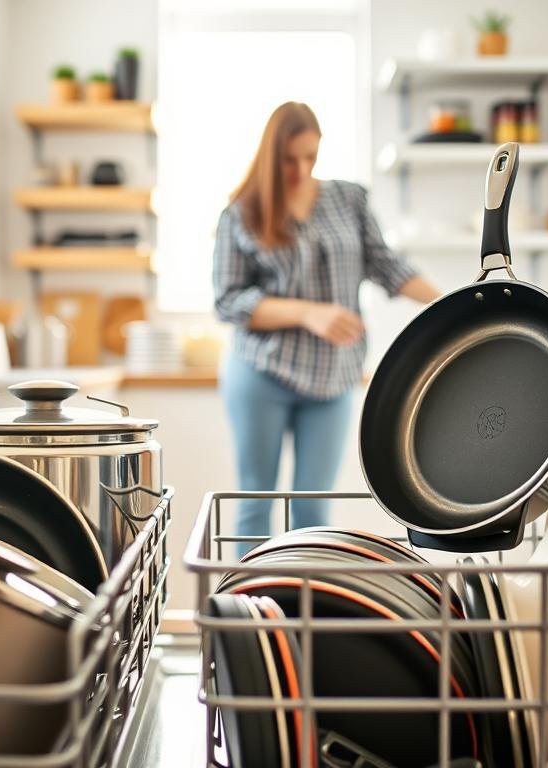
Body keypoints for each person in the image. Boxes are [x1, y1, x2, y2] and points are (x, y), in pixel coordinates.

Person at [213, 101, 441, 556]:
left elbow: (387, 266)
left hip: (333, 379)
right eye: (289, 159)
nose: (300, 169)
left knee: (313, 509)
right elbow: (228, 302)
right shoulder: (241, 213)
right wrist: (308, 313)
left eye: (310, 158)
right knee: (255, 500)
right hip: (261, 374)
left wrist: (452, 304)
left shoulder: (348, 199)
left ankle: (304, 621)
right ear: (268, 154)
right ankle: (243, 621)